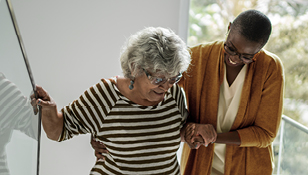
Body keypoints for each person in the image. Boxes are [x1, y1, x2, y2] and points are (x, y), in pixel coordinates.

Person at [91, 9, 284, 175]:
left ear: (259, 51)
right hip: (200, 164)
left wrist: (213, 136)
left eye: (246, 57)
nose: (234, 58)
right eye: (230, 48)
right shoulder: (198, 58)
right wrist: (104, 132)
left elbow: (265, 133)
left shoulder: (270, 68)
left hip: (249, 168)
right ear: (229, 28)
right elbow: (146, 86)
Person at [32, 27, 197, 175]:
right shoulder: (105, 96)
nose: (166, 86)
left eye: (173, 78)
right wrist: (50, 109)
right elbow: (59, 131)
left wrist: (193, 133)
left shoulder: (174, 94)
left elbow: (173, 134)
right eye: (158, 79)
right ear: (135, 67)